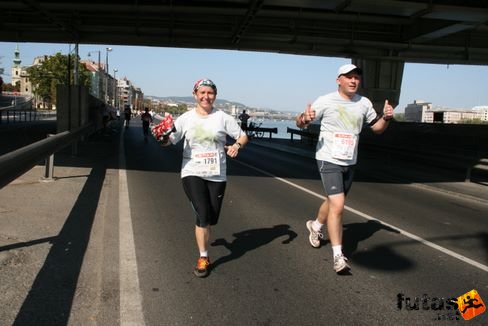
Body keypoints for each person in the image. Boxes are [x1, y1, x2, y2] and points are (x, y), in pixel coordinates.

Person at [296, 63, 394, 274]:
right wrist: (305, 119)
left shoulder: (364, 103)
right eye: (348, 77)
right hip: (328, 158)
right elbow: (300, 122)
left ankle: (315, 226)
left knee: (333, 201)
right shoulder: (326, 100)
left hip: (349, 160)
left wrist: (386, 118)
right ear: (338, 80)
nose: (353, 81)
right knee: (338, 205)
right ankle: (338, 256)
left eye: (356, 77)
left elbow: (377, 129)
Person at [160, 78, 248, 277]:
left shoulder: (223, 118)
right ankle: (203, 256)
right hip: (192, 171)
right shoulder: (185, 118)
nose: (206, 96)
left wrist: (236, 146)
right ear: (195, 95)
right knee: (203, 214)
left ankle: (205, 228)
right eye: (202, 93)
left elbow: (242, 136)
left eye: (210, 93)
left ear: (214, 96)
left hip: (217, 174)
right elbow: (170, 141)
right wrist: (162, 138)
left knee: (212, 218)